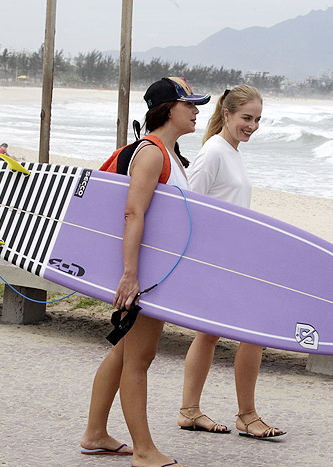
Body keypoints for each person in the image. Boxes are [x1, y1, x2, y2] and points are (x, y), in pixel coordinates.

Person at [80, 77, 210, 466]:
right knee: (140, 359)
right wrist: (130, 275)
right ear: (168, 109)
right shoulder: (152, 154)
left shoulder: (169, 155)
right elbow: (133, 212)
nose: (196, 110)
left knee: (124, 354)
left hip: (155, 273)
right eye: (189, 104)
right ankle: (143, 450)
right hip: (144, 275)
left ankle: (96, 433)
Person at [177, 85, 285, 439]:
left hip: (235, 259)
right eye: (246, 118)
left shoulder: (231, 151)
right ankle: (247, 415)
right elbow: (189, 208)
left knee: (208, 335)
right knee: (252, 333)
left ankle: (190, 411)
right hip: (217, 262)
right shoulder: (213, 153)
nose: (252, 125)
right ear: (226, 114)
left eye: (257, 119)